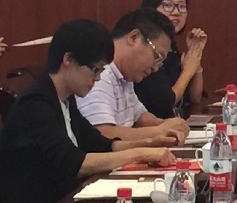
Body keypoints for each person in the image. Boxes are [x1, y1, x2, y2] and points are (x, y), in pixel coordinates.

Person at [0, 19, 175, 203]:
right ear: (68, 59)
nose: (97, 79)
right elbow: (77, 164)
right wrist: (141, 154)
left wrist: (151, 143)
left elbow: (102, 144)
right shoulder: (35, 103)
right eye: (95, 70)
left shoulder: (66, 99)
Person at [76, 8, 190, 144]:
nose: (155, 68)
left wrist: (166, 124)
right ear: (134, 38)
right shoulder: (100, 74)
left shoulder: (125, 76)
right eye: (157, 56)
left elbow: (140, 117)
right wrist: (160, 131)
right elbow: (102, 133)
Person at [134, 0, 207, 118]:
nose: (176, 12)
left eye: (182, 6)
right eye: (168, 5)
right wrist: (188, 71)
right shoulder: (147, 48)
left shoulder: (171, 48)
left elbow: (195, 98)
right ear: (151, 9)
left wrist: (195, 54)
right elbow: (166, 102)